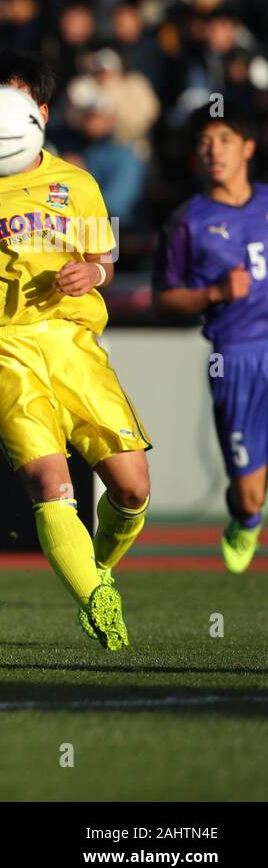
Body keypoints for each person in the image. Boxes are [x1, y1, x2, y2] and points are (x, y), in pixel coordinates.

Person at [0, 50, 152, 652]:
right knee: (50, 482)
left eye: (11, 103)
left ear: (39, 112)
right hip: (3, 348)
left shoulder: (78, 181)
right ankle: (95, 599)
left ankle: (96, 569)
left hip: (74, 345)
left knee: (132, 489)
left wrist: (91, 273)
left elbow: (105, 260)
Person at [153, 104, 268, 573]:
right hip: (236, 359)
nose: (213, 150)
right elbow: (164, 299)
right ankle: (245, 518)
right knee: (249, 492)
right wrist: (215, 292)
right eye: (204, 142)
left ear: (247, 147)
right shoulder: (187, 221)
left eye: (223, 138)